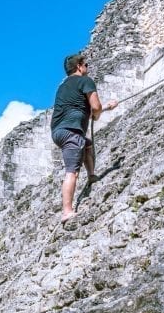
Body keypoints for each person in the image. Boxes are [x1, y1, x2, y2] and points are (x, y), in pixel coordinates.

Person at [50, 53, 118, 224]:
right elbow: (95, 107)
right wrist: (103, 110)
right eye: (86, 64)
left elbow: (80, 109)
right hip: (71, 132)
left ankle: (92, 175)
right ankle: (67, 211)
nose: (87, 67)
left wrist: (104, 110)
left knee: (87, 144)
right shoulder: (85, 81)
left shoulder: (63, 86)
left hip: (59, 131)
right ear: (79, 66)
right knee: (72, 171)